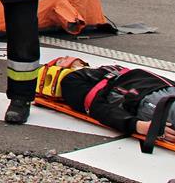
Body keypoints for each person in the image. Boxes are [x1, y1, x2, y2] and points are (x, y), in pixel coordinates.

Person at [37, 57, 175, 144]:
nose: (67, 57)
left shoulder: (105, 70)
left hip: (163, 91)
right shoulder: (71, 81)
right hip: (150, 100)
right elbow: (100, 109)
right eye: (60, 60)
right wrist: (138, 126)